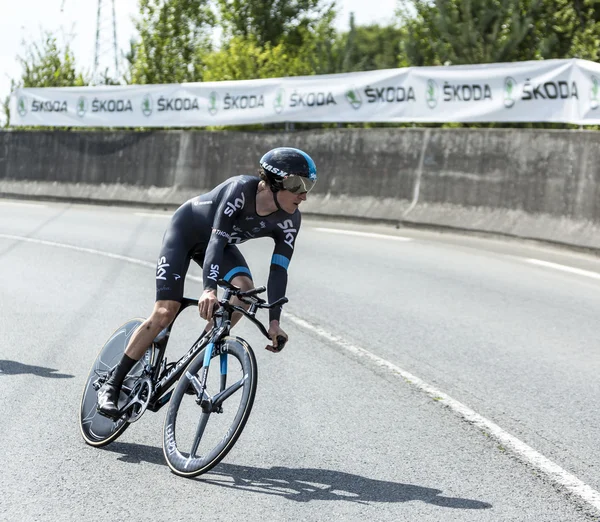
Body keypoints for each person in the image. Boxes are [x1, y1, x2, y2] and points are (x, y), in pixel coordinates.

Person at [96, 147, 318, 419]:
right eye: (298, 185)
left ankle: (192, 363)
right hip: (186, 234)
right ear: (273, 181)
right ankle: (112, 384)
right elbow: (216, 241)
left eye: (310, 186)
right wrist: (209, 289)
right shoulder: (239, 190)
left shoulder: (290, 219)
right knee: (166, 310)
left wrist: (274, 322)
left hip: (219, 245)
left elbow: (279, 270)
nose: (304, 195)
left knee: (245, 293)